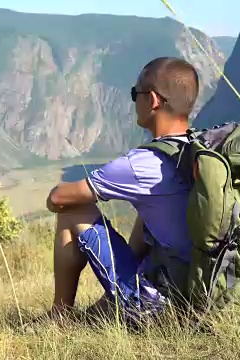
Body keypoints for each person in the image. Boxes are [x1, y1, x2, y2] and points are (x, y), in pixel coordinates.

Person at [44, 57, 200, 323]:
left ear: (152, 100)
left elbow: (58, 198)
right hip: (200, 294)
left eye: (134, 94)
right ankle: (108, 304)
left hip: (163, 309)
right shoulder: (198, 150)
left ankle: (60, 316)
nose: (133, 100)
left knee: (73, 212)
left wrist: (56, 196)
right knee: (148, 215)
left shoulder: (143, 164)